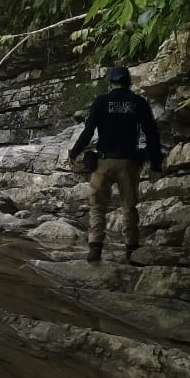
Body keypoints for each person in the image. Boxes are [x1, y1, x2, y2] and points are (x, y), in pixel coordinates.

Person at [67, 66, 164, 263]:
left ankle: (95, 247)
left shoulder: (101, 101)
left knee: (97, 206)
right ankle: (131, 249)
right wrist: (156, 165)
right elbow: (152, 134)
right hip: (128, 163)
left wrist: (74, 152)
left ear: (110, 82)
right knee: (128, 207)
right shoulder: (138, 102)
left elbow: (88, 132)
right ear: (128, 82)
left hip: (103, 162)